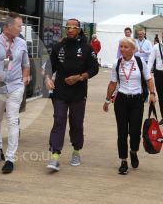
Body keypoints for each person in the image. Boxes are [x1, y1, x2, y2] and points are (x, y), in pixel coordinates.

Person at [44, 18, 99, 172]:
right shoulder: (58, 46)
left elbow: (95, 68)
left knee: (76, 123)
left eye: (73, 27)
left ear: (79, 30)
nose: (69, 30)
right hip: (60, 92)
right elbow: (49, 67)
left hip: (78, 93)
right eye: (67, 27)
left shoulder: (87, 48)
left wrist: (80, 77)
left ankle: (76, 151)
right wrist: (47, 78)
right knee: (59, 121)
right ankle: (55, 156)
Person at [0, 12, 30, 174]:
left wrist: (24, 79)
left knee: (13, 120)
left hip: (15, 86)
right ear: (8, 26)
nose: (20, 28)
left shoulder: (22, 43)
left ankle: (10, 158)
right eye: (18, 25)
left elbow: (26, 63)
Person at [103, 37, 156, 175]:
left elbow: (149, 78)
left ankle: (133, 151)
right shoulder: (117, 63)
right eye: (121, 46)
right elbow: (113, 83)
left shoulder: (139, 62)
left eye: (126, 47)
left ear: (133, 49)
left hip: (137, 101)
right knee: (122, 132)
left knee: (135, 132)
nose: (122, 49)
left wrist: (152, 93)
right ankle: (124, 160)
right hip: (121, 100)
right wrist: (107, 100)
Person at [148, 38, 163, 125]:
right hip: (159, 74)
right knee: (161, 96)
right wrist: (147, 74)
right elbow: (150, 60)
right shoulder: (156, 47)